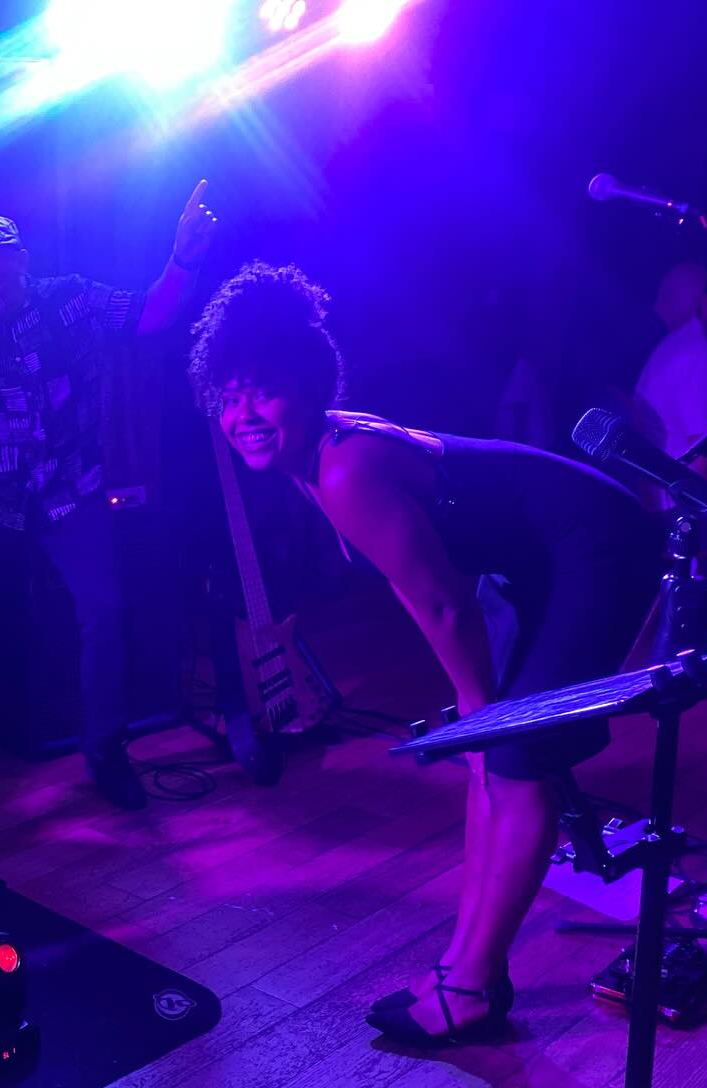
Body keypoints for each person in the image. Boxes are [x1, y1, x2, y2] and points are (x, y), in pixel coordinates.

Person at [187, 262, 656, 1044]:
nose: (244, 415)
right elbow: (430, 584)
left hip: (595, 546)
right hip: (539, 560)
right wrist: (476, 713)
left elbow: (442, 601)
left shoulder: (342, 465)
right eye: (229, 397)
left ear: (307, 384)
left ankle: (470, 988)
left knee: (514, 762)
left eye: (262, 392)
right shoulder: (316, 458)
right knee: (491, 759)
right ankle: (464, 967)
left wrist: (475, 707)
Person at [0, 182, 218, 810]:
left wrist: (183, 258)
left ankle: (104, 751)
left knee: (104, 610)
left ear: (21, 260)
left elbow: (152, 313)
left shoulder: (71, 300)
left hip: (68, 494)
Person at [631, 257, 707, 503]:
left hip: (665, 496)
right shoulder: (699, 355)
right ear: (706, 303)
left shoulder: (679, 344)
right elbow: (705, 455)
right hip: (683, 502)